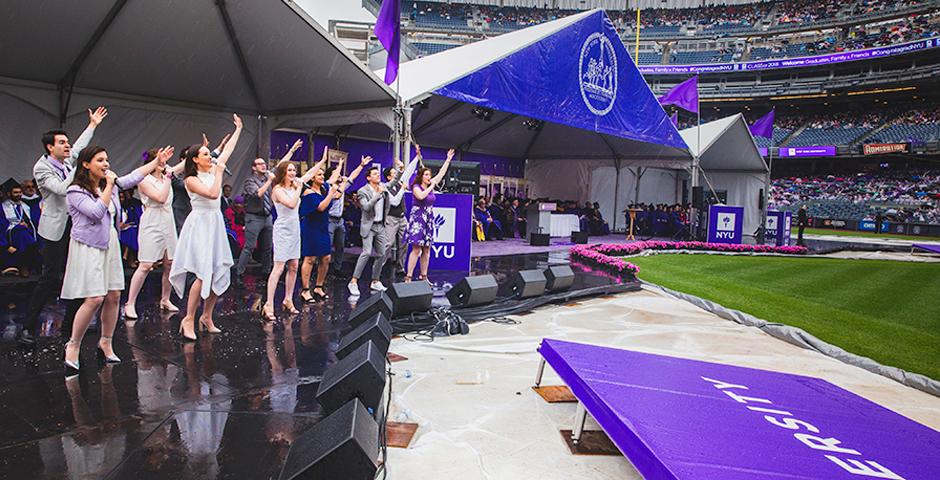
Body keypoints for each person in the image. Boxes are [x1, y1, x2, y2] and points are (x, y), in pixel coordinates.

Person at [61, 145, 161, 375]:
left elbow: (133, 177)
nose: (106, 164)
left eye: (107, 160)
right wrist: (108, 187)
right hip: (89, 246)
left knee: (114, 295)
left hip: (110, 242)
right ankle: (73, 344)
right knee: (95, 298)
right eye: (100, 160)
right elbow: (96, 212)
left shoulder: (111, 184)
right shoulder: (75, 191)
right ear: (86, 164)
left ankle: (106, 341)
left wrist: (156, 162)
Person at [20, 106, 107, 346]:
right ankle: (27, 327)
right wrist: (79, 167)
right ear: (50, 147)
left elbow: (78, 148)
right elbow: (60, 189)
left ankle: (69, 326)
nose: (68, 146)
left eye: (67, 142)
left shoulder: (68, 160)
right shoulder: (42, 167)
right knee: (49, 278)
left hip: (75, 225)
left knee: (76, 274)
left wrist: (92, 125)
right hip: (54, 229)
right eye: (62, 143)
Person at [170, 114, 243, 341]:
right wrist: (219, 171)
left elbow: (227, 151)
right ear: (195, 159)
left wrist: (239, 128)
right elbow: (212, 193)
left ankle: (207, 317)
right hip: (200, 223)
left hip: (215, 223)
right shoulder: (190, 180)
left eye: (208, 154)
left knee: (216, 270)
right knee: (201, 275)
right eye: (204, 154)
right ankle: (189, 318)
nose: (209, 157)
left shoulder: (213, 169)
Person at [124, 147, 185, 319]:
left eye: (166, 161)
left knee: (169, 263)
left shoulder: (167, 174)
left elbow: (183, 164)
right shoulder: (144, 180)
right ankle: (130, 303)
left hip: (168, 221)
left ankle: (165, 299)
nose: (165, 164)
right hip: (152, 220)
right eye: (161, 160)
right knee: (145, 265)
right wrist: (167, 178)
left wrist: (205, 150)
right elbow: (160, 198)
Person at [261, 140, 315, 320]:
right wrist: (299, 188)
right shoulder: (277, 189)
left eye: (294, 170)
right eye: (290, 170)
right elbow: (292, 204)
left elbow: (309, 174)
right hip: (283, 229)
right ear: (283, 172)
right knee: (279, 267)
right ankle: (269, 304)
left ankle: (288, 299)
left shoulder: (295, 184)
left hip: (294, 229)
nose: (293, 173)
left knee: (293, 266)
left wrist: (322, 161)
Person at [299, 156, 363, 303]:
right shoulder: (308, 193)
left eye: (322, 174)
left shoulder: (324, 187)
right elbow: (321, 207)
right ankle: (305, 290)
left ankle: (319, 287)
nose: (322, 176)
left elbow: (335, 178)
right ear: (312, 178)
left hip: (322, 227)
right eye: (319, 174)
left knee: (326, 257)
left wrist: (340, 165)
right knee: (310, 258)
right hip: (311, 227)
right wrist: (330, 194)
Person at [348, 156, 405, 296]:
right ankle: (353, 281)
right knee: (366, 252)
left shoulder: (383, 187)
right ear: (368, 178)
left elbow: (395, 181)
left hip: (381, 226)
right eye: (375, 174)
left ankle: (375, 280)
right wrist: (378, 195)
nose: (378, 175)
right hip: (369, 226)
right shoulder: (363, 191)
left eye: (378, 174)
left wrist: (400, 169)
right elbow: (366, 207)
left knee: (381, 253)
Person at [404, 149, 454, 282]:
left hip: (428, 217)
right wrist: (431, 187)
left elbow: (441, 174)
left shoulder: (430, 184)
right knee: (416, 249)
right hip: (418, 218)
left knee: (427, 249)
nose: (428, 177)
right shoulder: (416, 186)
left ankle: (423, 275)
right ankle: (408, 276)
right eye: (426, 175)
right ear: (421, 176)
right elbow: (421, 196)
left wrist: (448, 159)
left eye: (429, 175)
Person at [234, 156, 278, 288]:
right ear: (254, 168)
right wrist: (269, 181)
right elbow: (257, 194)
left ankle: (265, 273)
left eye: (264, 164)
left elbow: (279, 164)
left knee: (267, 247)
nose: (263, 166)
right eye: (259, 164)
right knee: (250, 246)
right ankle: (239, 274)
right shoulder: (250, 181)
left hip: (267, 216)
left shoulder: (267, 178)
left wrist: (292, 150)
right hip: (254, 217)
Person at [382, 145, 422, 277]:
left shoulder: (400, 183)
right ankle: (379, 268)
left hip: (402, 217)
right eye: (394, 174)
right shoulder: (386, 187)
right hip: (391, 218)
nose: (397, 175)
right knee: (388, 244)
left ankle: (400, 267)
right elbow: (393, 202)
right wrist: (403, 189)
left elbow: (409, 171)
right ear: (388, 177)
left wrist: (417, 156)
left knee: (404, 244)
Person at [1, 183, 40, 277]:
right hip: (10, 234)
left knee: (25, 234)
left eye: (20, 192)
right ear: (9, 194)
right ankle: (23, 266)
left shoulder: (25, 206)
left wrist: (26, 225)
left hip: (24, 232)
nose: (18, 194)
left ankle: (29, 265)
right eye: (15, 193)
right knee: (22, 234)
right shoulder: (3, 207)